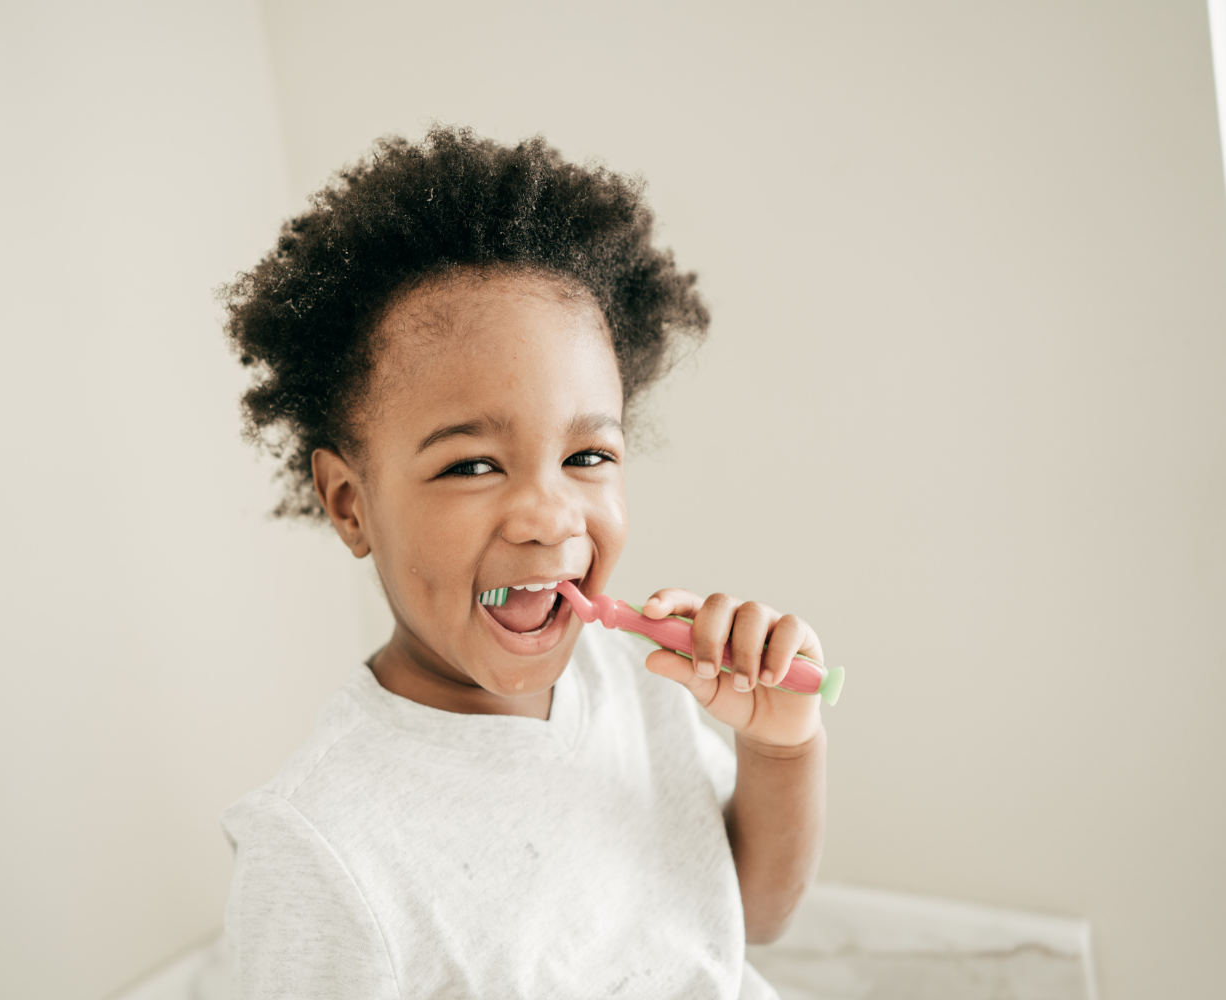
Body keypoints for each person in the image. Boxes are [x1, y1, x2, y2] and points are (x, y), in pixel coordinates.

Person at [215, 125, 826, 999]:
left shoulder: (644, 681)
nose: (550, 516)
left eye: (588, 457)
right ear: (351, 502)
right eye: (471, 465)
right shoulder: (320, 845)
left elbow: (750, 920)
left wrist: (782, 746)